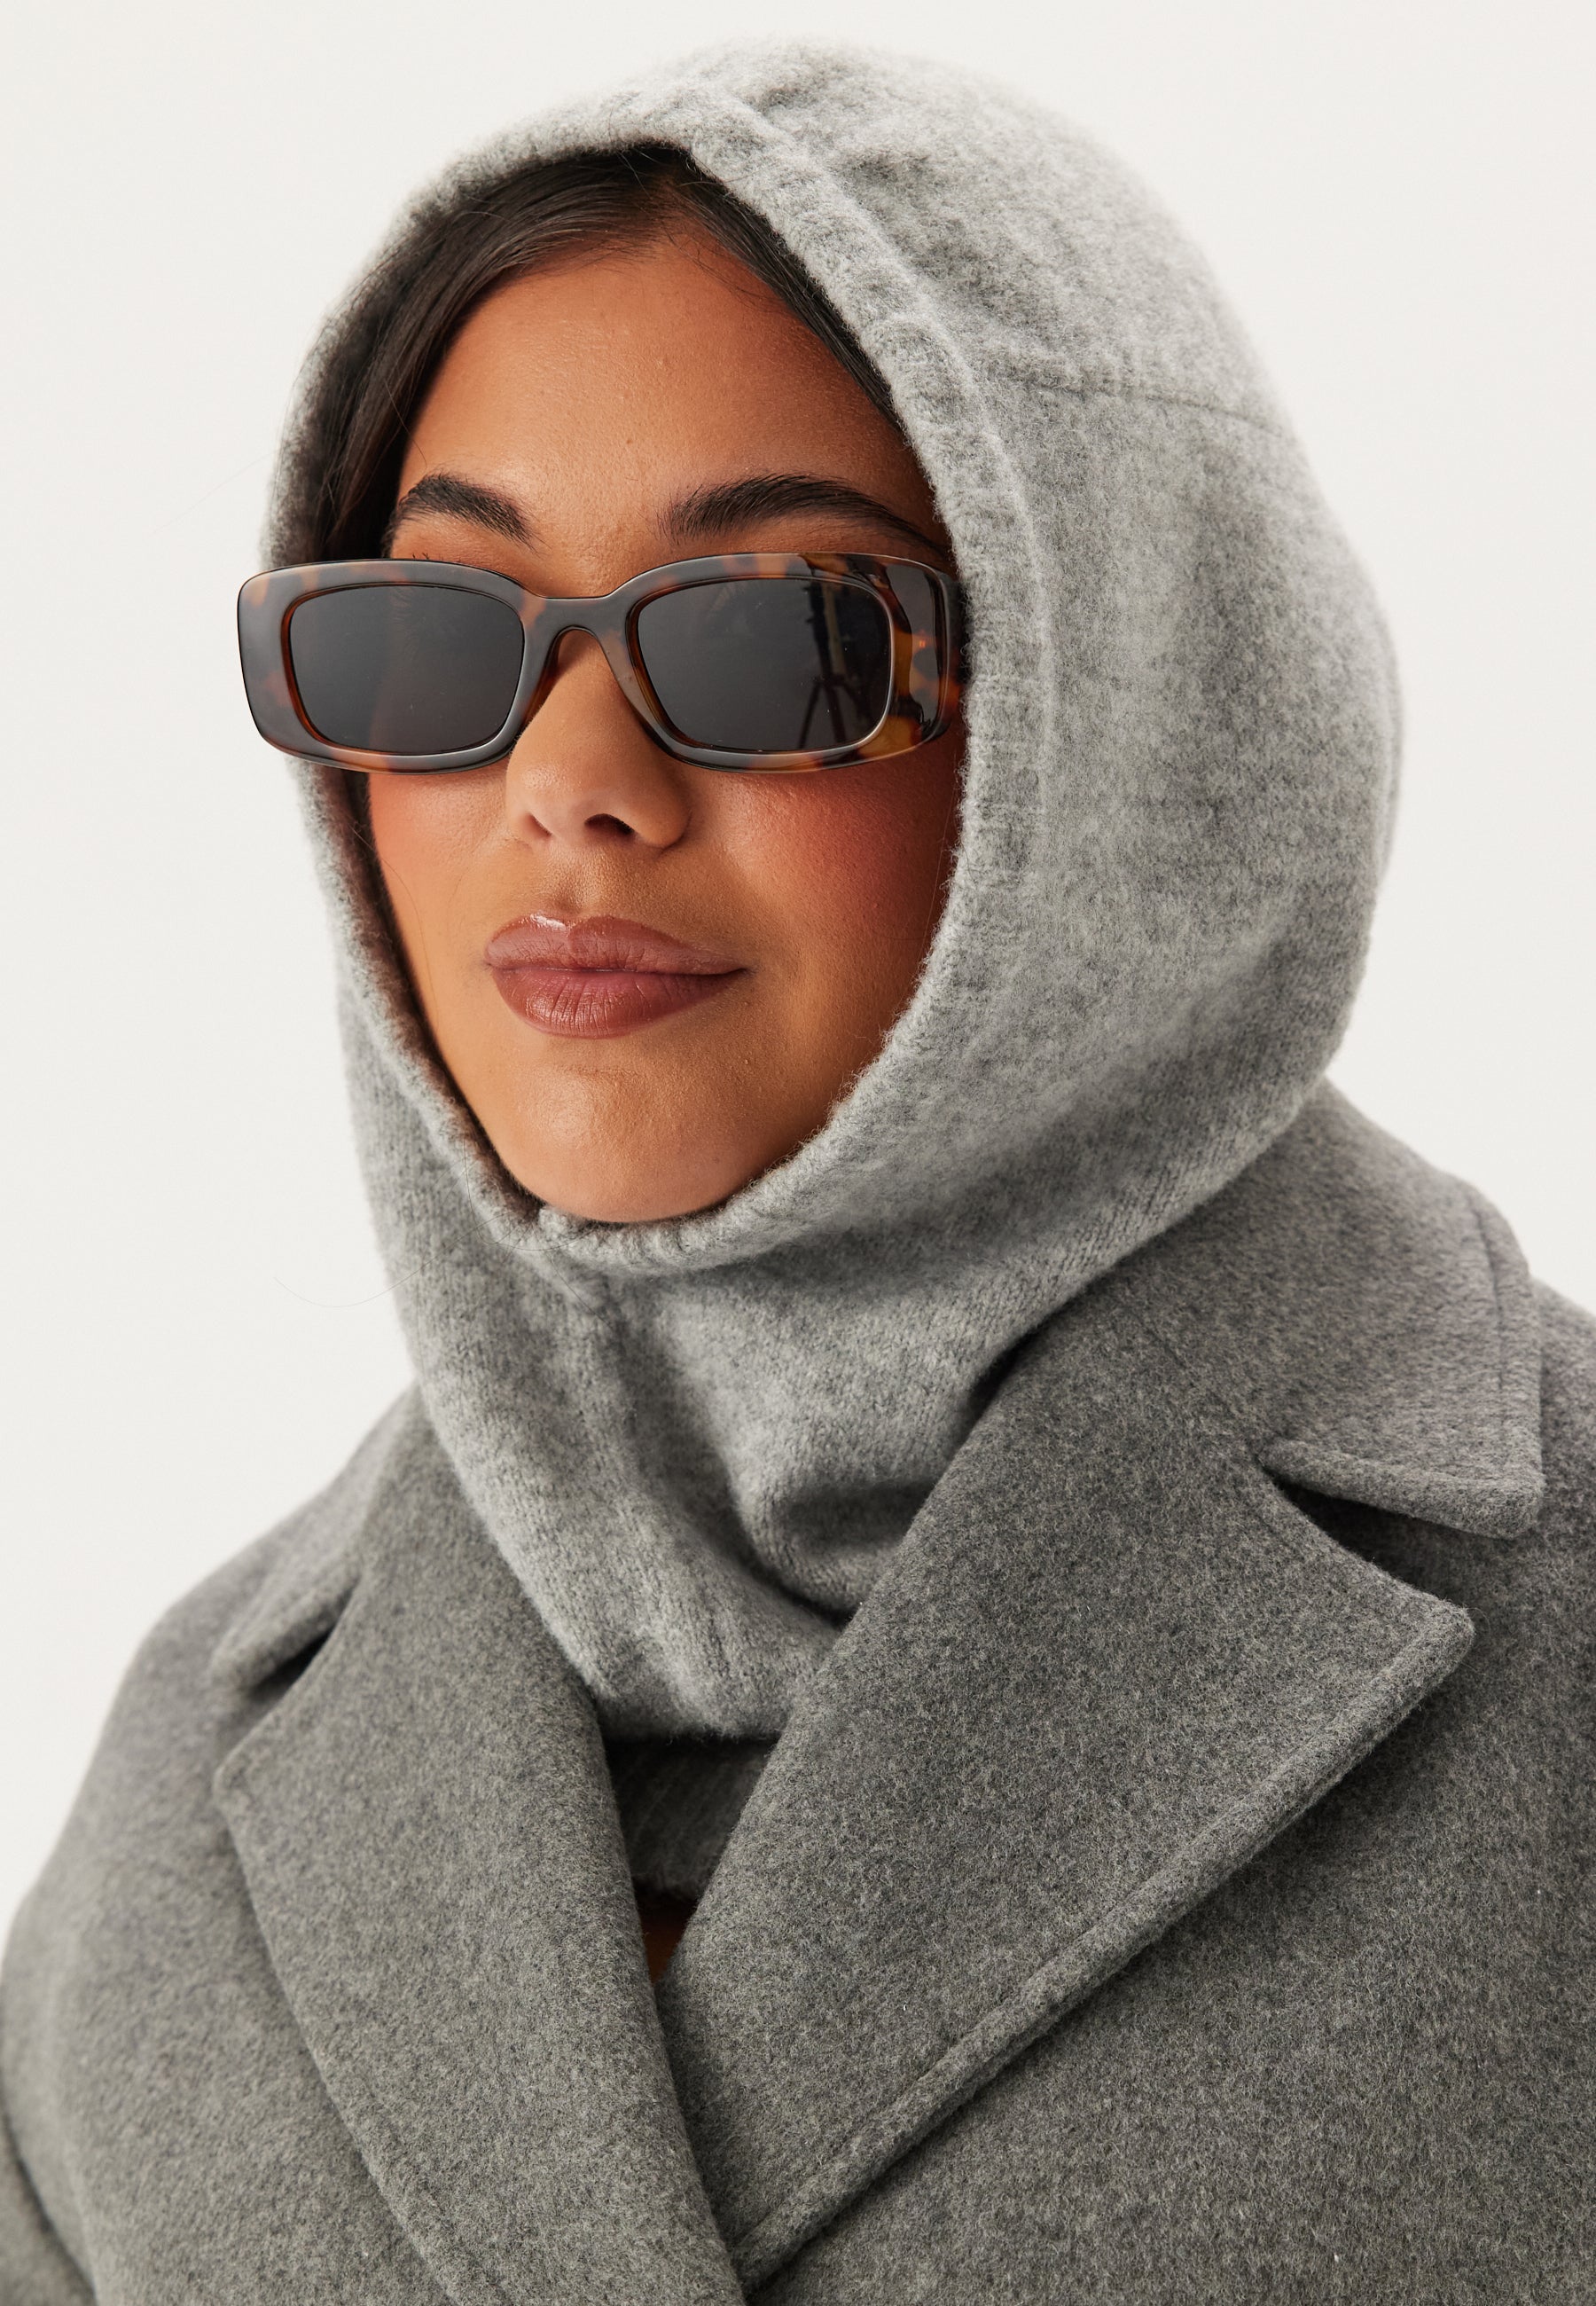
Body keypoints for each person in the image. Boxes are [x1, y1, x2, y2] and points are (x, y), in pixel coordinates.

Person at [1, 41, 1589, 2304]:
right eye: (438, 631)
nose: (568, 781)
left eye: (772, 634)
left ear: (1134, 705)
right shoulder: (185, 1794)